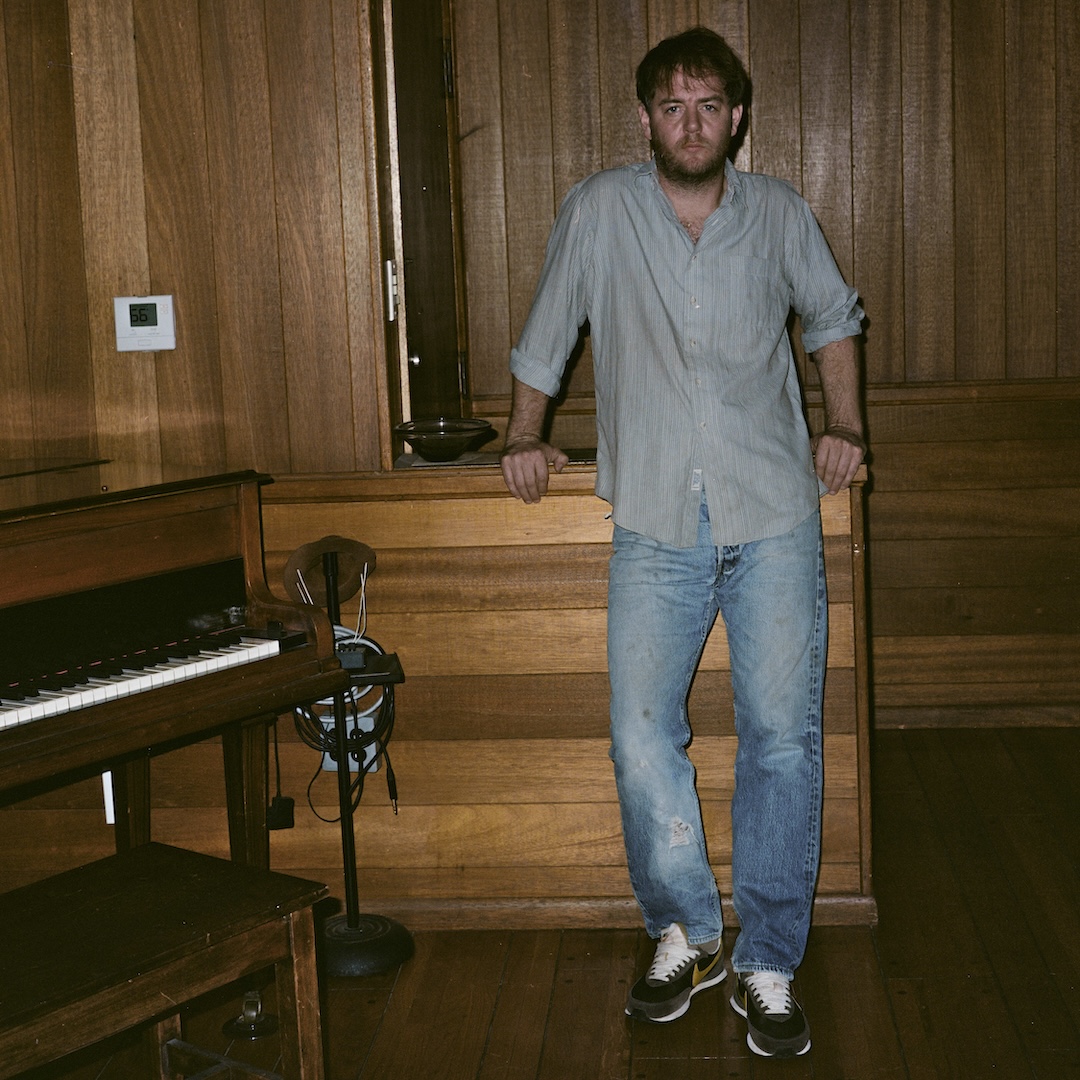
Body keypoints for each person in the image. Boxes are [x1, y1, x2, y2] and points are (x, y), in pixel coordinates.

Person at [500, 26, 865, 1059]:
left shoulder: (781, 213)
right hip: (656, 523)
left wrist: (845, 426)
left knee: (781, 740)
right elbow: (546, 336)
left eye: (710, 105)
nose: (692, 123)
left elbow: (834, 321)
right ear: (646, 117)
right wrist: (523, 437)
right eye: (673, 106)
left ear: (737, 117)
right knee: (638, 734)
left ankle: (770, 961)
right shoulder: (600, 211)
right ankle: (686, 932)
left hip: (775, 517)